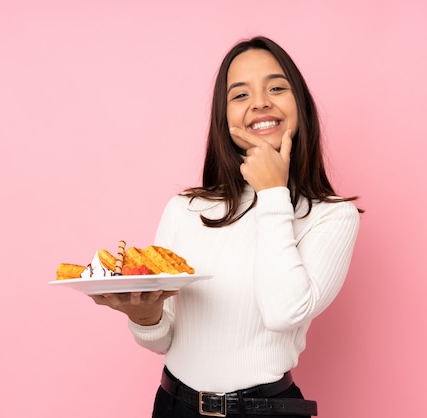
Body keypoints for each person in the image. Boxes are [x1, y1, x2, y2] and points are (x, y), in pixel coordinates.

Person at [90, 36, 361, 417]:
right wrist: (143, 315)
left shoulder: (331, 217)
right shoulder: (185, 209)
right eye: (240, 95)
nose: (260, 102)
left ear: (300, 104)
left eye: (277, 88)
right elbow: (164, 337)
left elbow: (283, 312)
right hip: (174, 407)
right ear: (224, 116)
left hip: (266, 409)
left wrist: (273, 193)